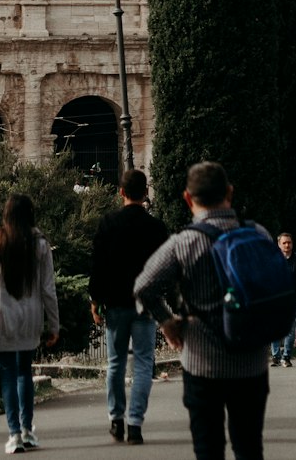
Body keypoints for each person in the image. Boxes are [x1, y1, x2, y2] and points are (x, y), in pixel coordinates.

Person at [134, 161, 270, 460]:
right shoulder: (258, 234)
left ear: (187, 198)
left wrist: (167, 321)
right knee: (250, 447)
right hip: (252, 359)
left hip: (201, 359)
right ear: (229, 193)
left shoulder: (184, 243)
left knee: (208, 450)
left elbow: (143, 286)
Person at [0, 194, 59, 454]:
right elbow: (48, 289)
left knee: (8, 376)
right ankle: (28, 429)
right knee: (24, 373)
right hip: (30, 319)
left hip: (1, 319)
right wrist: (54, 324)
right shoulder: (40, 244)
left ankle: (14, 434)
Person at [89, 168, 169, 444]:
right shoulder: (157, 228)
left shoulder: (108, 224)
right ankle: (135, 423)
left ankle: (116, 418)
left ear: (120, 192)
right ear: (146, 192)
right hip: (145, 305)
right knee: (145, 364)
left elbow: (97, 265)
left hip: (115, 303)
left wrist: (95, 299)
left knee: (115, 363)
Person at [269, 233, 296, 367]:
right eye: (284, 243)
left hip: (293, 299)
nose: (287, 245)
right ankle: (275, 355)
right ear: (279, 244)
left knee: (290, 329)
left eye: (289, 242)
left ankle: (286, 356)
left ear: (292, 243)